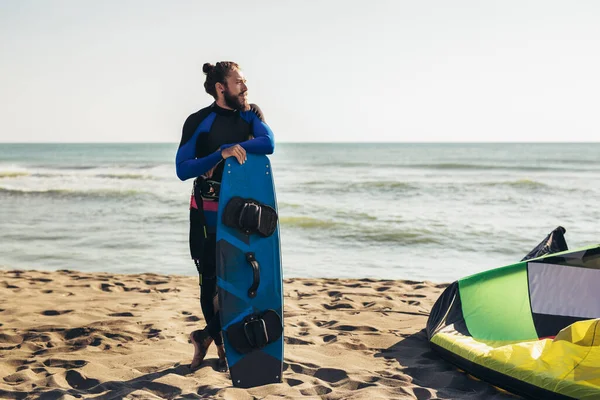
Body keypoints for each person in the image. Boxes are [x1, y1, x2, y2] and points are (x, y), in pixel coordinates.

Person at [175, 61, 275, 372]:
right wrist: (219, 154)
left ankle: (206, 336)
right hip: (206, 213)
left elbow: (268, 143)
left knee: (239, 278)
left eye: (245, 83)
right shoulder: (199, 121)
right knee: (209, 283)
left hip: (241, 215)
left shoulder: (251, 114)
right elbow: (182, 168)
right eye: (239, 83)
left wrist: (234, 146)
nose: (246, 88)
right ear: (222, 88)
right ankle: (220, 344)